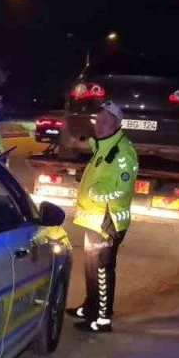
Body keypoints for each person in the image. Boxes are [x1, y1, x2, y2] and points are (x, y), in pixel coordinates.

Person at [67, 101, 138, 333]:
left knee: (102, 270)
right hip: (94, 218)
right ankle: (91, 307)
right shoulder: (104, 145)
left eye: (105, 121)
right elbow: (94, 143)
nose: (99, 125)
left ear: (117, 124)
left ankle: (102, 318)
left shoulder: (123, 152)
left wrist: (95, 193)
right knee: (91, 267)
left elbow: (122, 188)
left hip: (108, 221)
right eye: (98, 120)